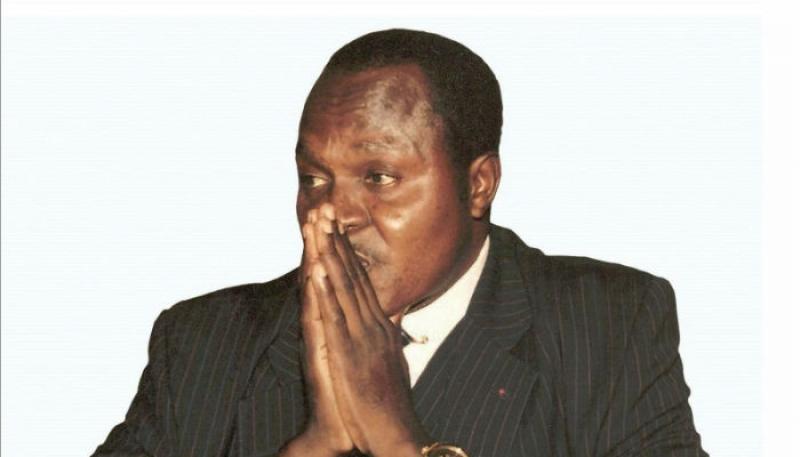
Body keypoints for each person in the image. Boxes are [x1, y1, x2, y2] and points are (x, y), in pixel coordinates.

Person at [91, 29, 707, 457]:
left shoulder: (609, 324)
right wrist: (314, 447)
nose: (333, 215)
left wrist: (397, 439)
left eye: (379, 178)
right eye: (313, 179)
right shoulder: (203, 342)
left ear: (478, 184)